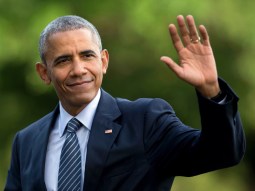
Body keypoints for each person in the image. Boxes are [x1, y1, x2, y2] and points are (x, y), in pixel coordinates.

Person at [4, 14, 245, 191]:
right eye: (63, 61)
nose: (79, 70)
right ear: (44, 73)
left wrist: (211, 90)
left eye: (87, 56)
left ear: (104, 61)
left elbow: (220, 153)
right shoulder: (27, 141)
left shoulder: (144, 119)